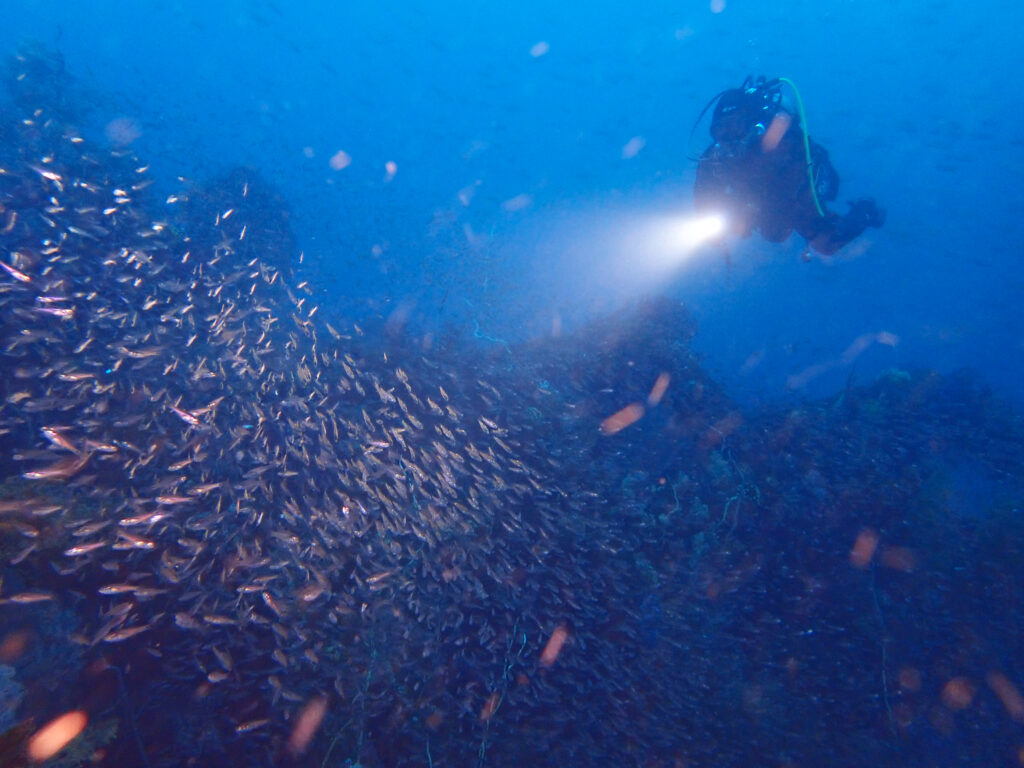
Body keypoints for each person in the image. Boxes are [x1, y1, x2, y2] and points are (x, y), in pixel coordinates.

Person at [693, 76, 885, 256]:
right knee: (773, 231)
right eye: (720, 129)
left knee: (826, 245)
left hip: (794, 196)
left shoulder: (779, 144)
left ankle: (865, 212)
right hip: (758, 203)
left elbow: (791, 197)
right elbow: (703, 197)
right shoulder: (714, 157)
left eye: (735, 125)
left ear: (751, 125)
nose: (729, 136)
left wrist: (753, 212)